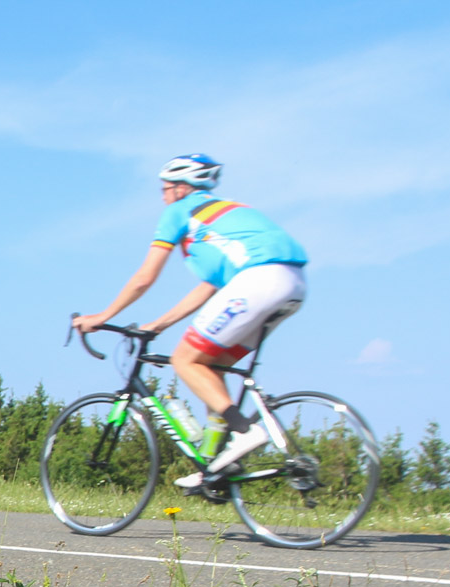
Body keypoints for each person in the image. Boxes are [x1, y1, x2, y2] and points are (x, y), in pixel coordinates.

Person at [74, 154, 308, 493]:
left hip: (258, 282)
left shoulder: (179, 212)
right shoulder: (223, 218)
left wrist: (102, 317)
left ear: (182, 188)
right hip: (293, 285)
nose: (162, 195)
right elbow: (209, 287)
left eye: (165, 188)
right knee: (211, 367)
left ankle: (244, 431)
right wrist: (159, 324)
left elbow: (144, 277)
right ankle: (214, 464)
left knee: (185, 360)